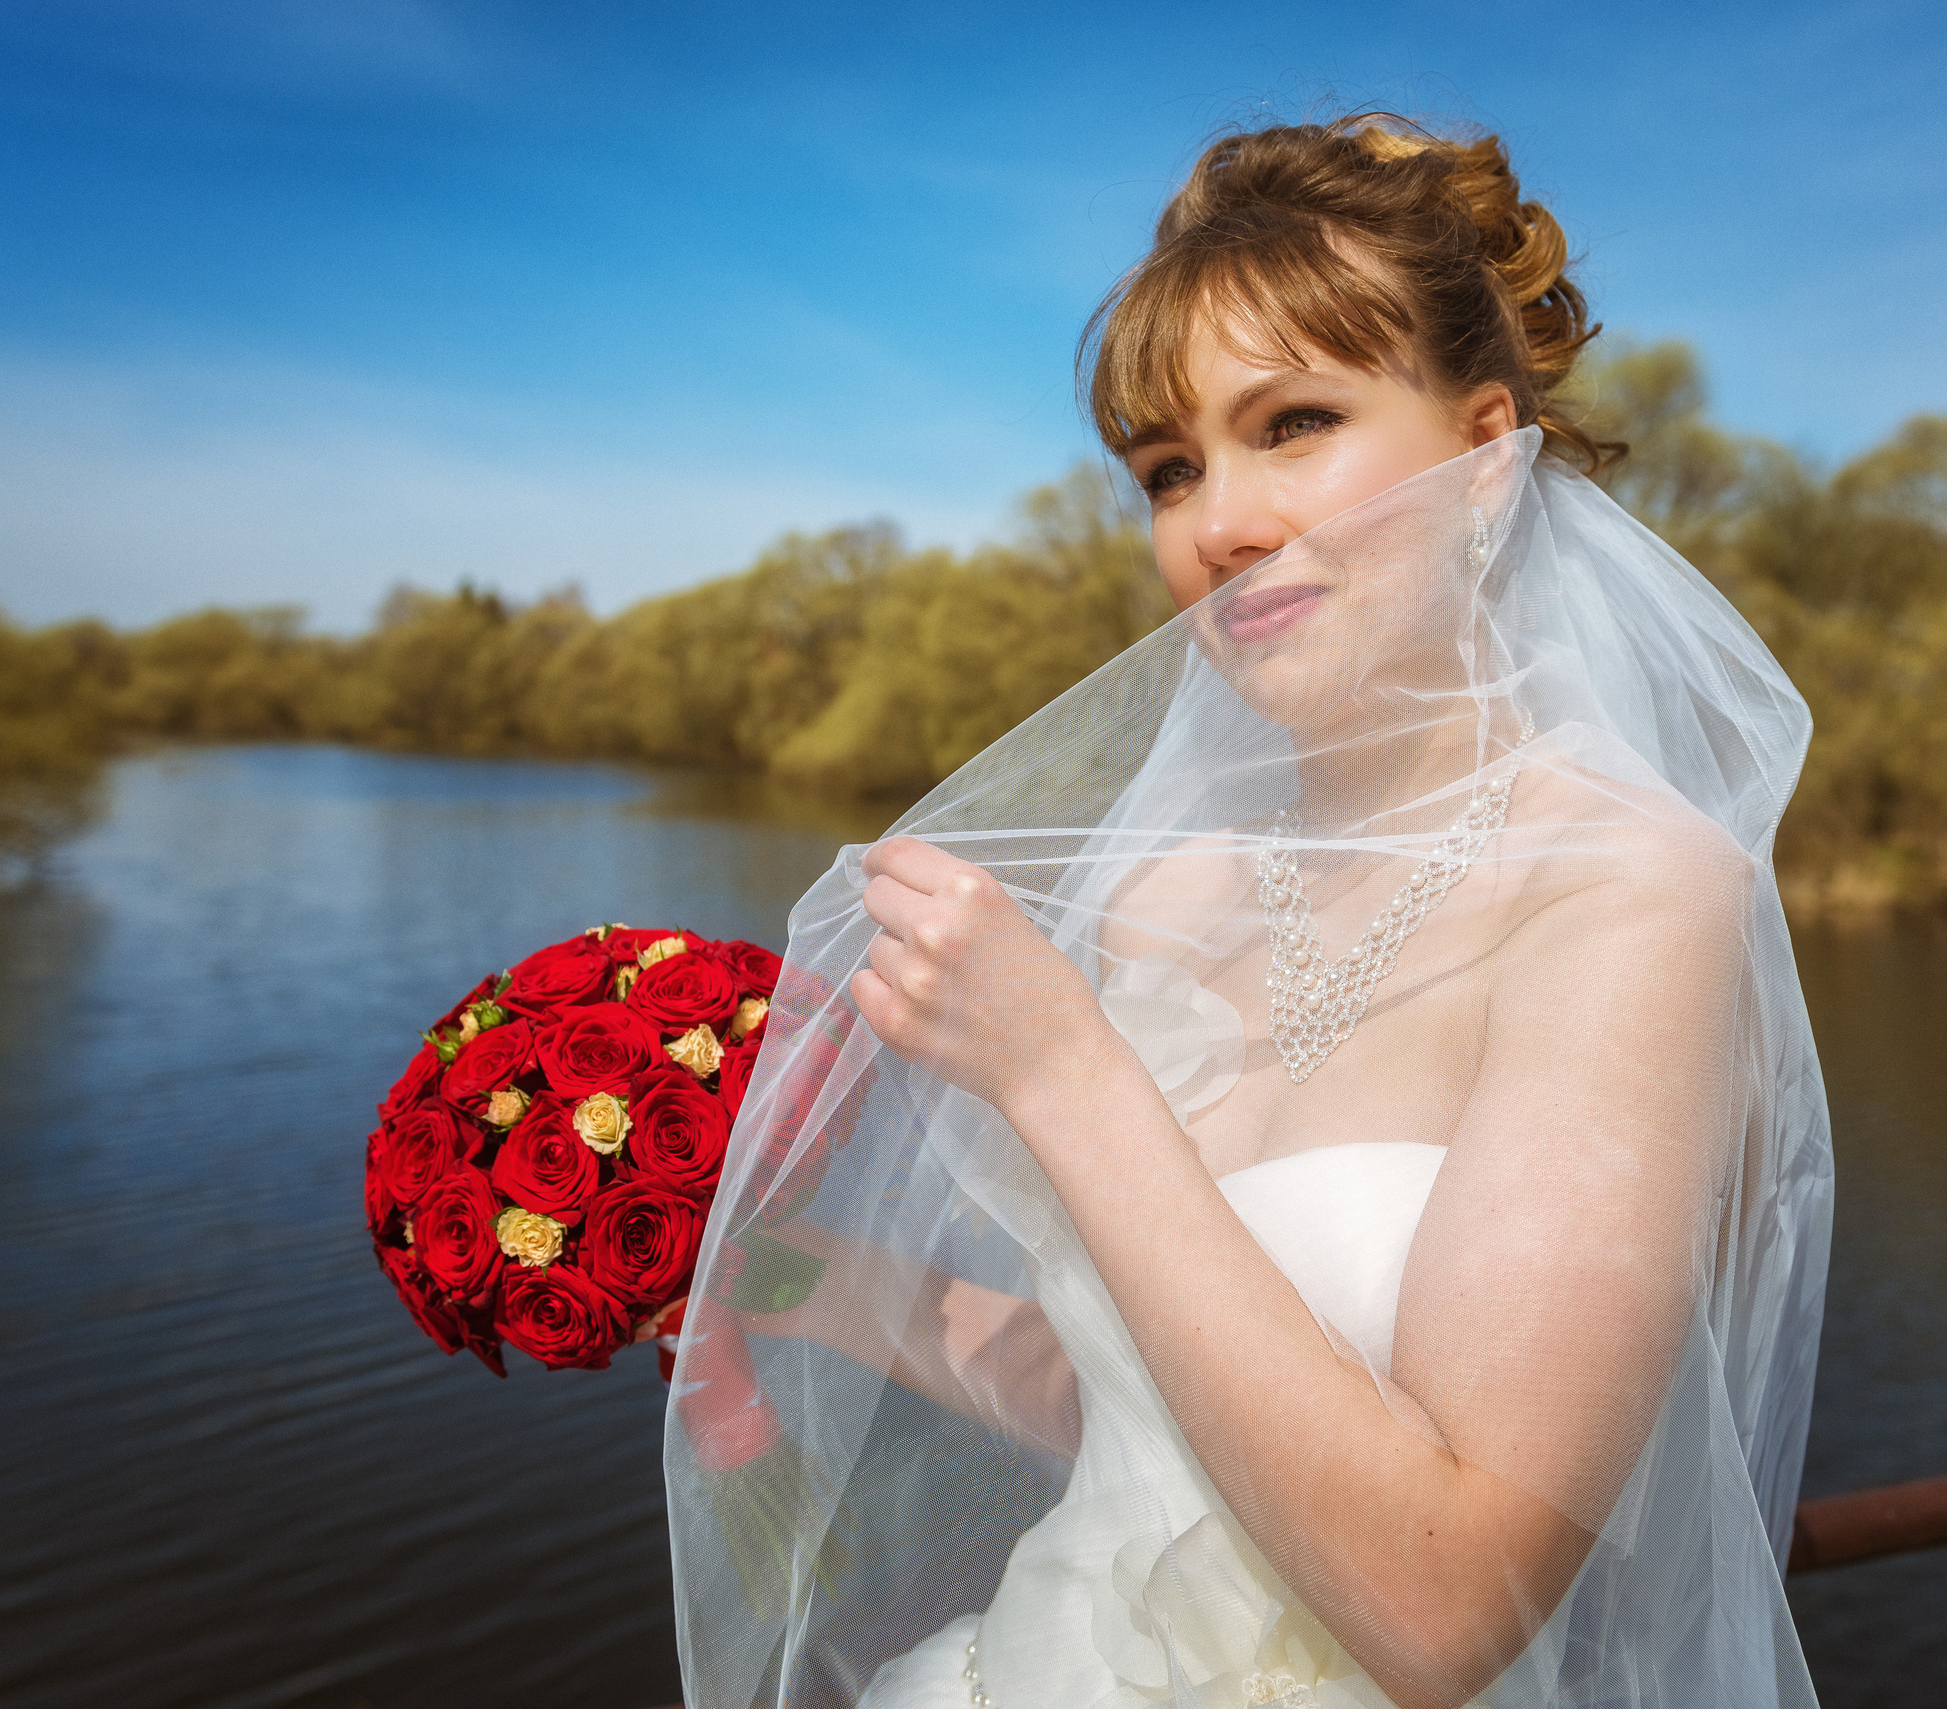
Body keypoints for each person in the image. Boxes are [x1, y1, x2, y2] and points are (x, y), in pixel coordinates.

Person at [666, 115, 1831, 1709]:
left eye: (1295, 423)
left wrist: (1061, 1069)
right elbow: (1160, 1408)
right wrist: (802, 1279)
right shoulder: (1171, 883)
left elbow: (1444, 1604)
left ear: (1488, 457)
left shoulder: (1628, 893)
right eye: (1170, 467)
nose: (1218, 522)